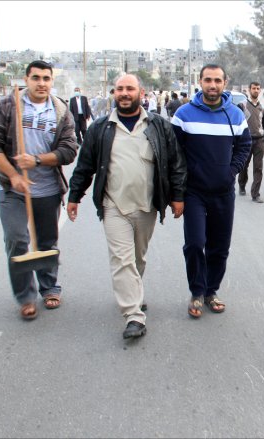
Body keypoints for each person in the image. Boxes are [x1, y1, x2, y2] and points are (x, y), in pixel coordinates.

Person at [67, 74, 187, 339]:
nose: (124, 93)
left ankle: (133, 291)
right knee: (122, 260)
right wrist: (75, 195)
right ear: (114, 93)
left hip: (147, 206)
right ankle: (133, 315)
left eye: (129, 88)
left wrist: (177, 196)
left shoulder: (158, 125)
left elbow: (176, 163)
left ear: (140, 93)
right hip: (113, 206)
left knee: (137, 258)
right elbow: (85, 165)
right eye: (119, 89)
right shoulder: (100, 128)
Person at [0, 60, 78, 320]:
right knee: (17, 239)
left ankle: (49, 287)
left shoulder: (61, 110)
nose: (41, 83)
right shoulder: (9, 105)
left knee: (46, 242)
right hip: (13, 188)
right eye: (36, 78)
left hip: (47, 189)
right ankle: (25, 296)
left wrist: (36, 160)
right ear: (26, 80)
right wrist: (14, 175)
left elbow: (69, 151)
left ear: (51, 81)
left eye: (46, 78)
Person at [171, 64, 251, 318]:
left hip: (223, 192)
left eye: (217, 80)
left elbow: (244, 146)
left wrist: (230, 172)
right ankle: (196, 291)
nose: (212, 85)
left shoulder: (235, 115)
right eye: (208, 80)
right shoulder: (183, 114)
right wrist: (177, 194)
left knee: (220, 247)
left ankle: (210, 291)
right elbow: (174, 155)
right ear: (200, 82)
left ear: (225, 83)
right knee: (195, 244)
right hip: (194, 192)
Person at [237, 81, 264, 203]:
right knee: (244, 165)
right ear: (249, 90)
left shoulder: (263, 107)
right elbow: (237, 124)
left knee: (258, 168)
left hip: (259, 140)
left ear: (260, 90)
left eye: (258, 88)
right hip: (246, 140)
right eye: (254, 88)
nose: (256, 90)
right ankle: (242, 185)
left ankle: (255, 194)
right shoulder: (242, 105)